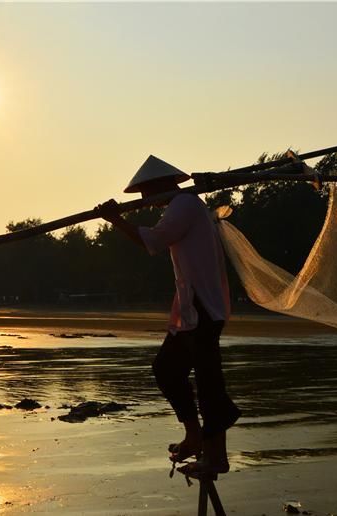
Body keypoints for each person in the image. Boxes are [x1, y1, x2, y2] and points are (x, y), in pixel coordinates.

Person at [96, 155, 240, 478]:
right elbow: (158, 236)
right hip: (192, 310)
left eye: (147, 193)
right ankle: (195, 435)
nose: (146, 201)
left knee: (209, 386)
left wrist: (115, 220)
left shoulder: (184, 205)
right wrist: (117, 218)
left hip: (204, 309)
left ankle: (217, 458)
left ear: (160, 186)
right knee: (166, 369)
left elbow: (155, 240)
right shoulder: (181, 206)